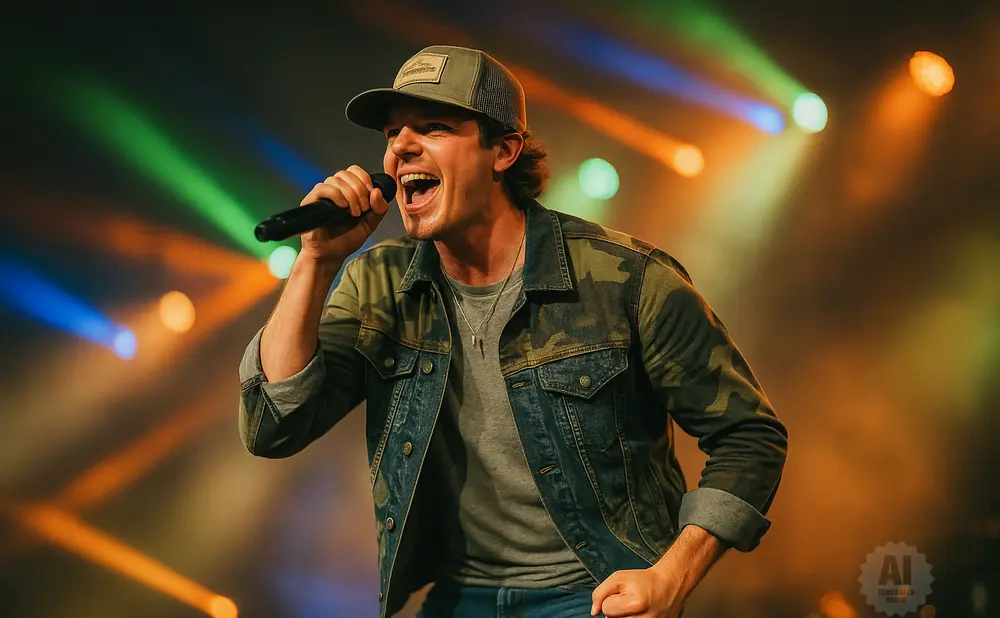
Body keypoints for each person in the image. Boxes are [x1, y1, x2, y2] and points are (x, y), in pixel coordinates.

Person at [238, 45, 788, 618]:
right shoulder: (377, 283)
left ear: (504, 150)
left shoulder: (625, 278)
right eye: (392, 132)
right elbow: (273, 425)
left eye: (434, 127)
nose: (400, 147)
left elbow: (749, 435)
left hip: (596, 592)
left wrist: (672, 575)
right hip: (456, 598)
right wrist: (316, 262)